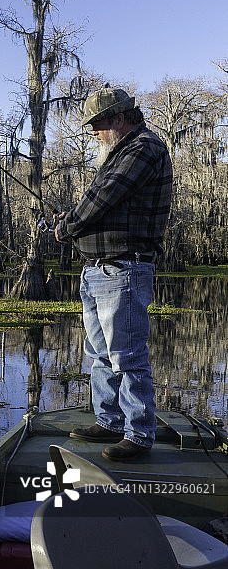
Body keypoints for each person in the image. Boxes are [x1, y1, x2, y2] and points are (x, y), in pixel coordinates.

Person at [54, 86, 172, 461]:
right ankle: (109, 421)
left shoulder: (143, 148)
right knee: (100, 353)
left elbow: (103, 197)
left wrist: (67, 225)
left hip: (123, 268)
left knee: (127, 355)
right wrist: (72, 220)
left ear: (119, 118)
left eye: (98, 125)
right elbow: (100, 202)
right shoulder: (122, 150)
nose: (93, 133)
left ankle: (138, 435)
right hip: (99, 270)